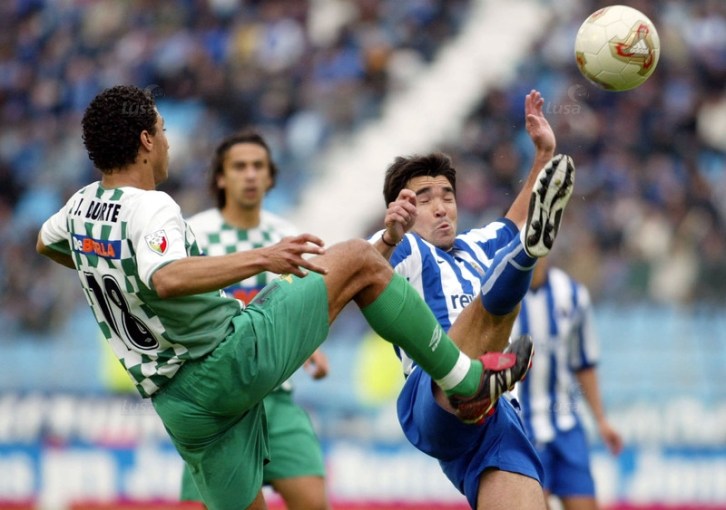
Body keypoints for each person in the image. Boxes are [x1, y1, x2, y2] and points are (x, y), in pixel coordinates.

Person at [36, 85, 534, 510]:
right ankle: (465, 379)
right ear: (146, 141)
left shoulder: (79, 208)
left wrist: (116, 275)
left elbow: (46, 242)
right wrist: (264, 257)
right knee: (359, 259)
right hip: (228, 359)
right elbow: (166, 278)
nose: (168, 140)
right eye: (163, 129)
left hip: (178, 404)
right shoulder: (153, 207)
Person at [373, 90, 575, 510]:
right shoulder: (405, 247)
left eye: (447, 196)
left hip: (498, 415)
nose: (441, 207)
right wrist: (389, 237)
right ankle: (527, 255)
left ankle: (486, 379)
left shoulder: (478, 244)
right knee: (493, 301)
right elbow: (363, 268)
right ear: (402, 208)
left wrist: (543, 154)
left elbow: (519, 214)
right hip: (432, 391)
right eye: (424, 199)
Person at [182, 130, 331, 509]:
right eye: (239, 166)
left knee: (314, 502)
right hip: (218, 405)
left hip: (275, 398)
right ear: (220, 178)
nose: (249, 174)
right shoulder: (193, 235)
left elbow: (295, 307)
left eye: (258, 166)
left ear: (270, 177)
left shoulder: (286, 235)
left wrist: (310, 347)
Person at [511, 256, 623, 510]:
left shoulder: (573, 294)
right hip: (521, 425)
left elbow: (584, 364)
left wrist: (601, 420)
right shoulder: (502, 294)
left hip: (566, 422)